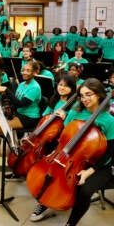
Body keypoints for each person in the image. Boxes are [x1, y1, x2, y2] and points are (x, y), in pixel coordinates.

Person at [31, 78, 114, 226]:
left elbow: (110, 153)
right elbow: (65, 136)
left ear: (100, 94)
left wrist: (90, 171)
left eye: (89, 94)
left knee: (85, 191)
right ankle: (44, 202)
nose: (84, 99)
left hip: (97, 163)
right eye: (82, 95)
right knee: (50, 172)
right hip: (70, 156)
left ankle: (72, 222)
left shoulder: (109, 121)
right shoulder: (76, 111)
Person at [0, 61, 42, 139]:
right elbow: (14, 100)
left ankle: (15, 146)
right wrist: (5, 97)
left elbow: (20, 104)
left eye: (28, 70)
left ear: (35, 72)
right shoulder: (21, 84)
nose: (24, 72)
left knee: (2, 128)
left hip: (29, 117)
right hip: (18, 113)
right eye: (23, 70)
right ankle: (14, 142)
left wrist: (7, 90)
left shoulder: (35, 87)